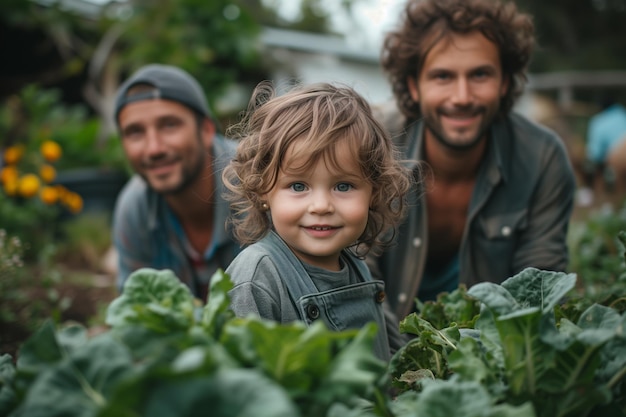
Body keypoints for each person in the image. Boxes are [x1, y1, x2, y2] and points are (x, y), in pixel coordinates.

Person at [367, 0, 577, 320]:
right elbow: (349, 272)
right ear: (414, 85)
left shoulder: (541, 159)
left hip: (490, 353)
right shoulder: (372, 144)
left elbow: (541, 292)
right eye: (443, 77)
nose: (462, 97)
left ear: (504, 81)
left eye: (480, 74)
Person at [222, 81, 412, 360]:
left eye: (343, 186)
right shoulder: (256, 280)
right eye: (298, 186)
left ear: (374, 191)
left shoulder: (357, 266)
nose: (321, 206)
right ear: (263, 190)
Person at [112, 64, 240, 300]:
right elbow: (138, 312)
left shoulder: (260, 184)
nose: (154, 149)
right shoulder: (135, 209)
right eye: (135, 132)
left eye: (169, 125)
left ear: (206, 130)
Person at [584, 96, 626, 196]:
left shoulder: (598, 121)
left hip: (618, 157)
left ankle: (602, 195)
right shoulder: (623, 114)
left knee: (596, 168)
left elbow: (595, 153)